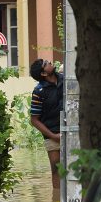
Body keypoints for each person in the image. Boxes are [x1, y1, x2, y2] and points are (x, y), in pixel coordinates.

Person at [29, 58, 64, 189]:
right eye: (46, 63)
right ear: (43, 74)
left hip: (73, 130)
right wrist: (53, 136)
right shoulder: (39, 92)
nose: (49, 62)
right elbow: (34, 120)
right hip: (52, 134)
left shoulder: (66, 80)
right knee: (56, 169)